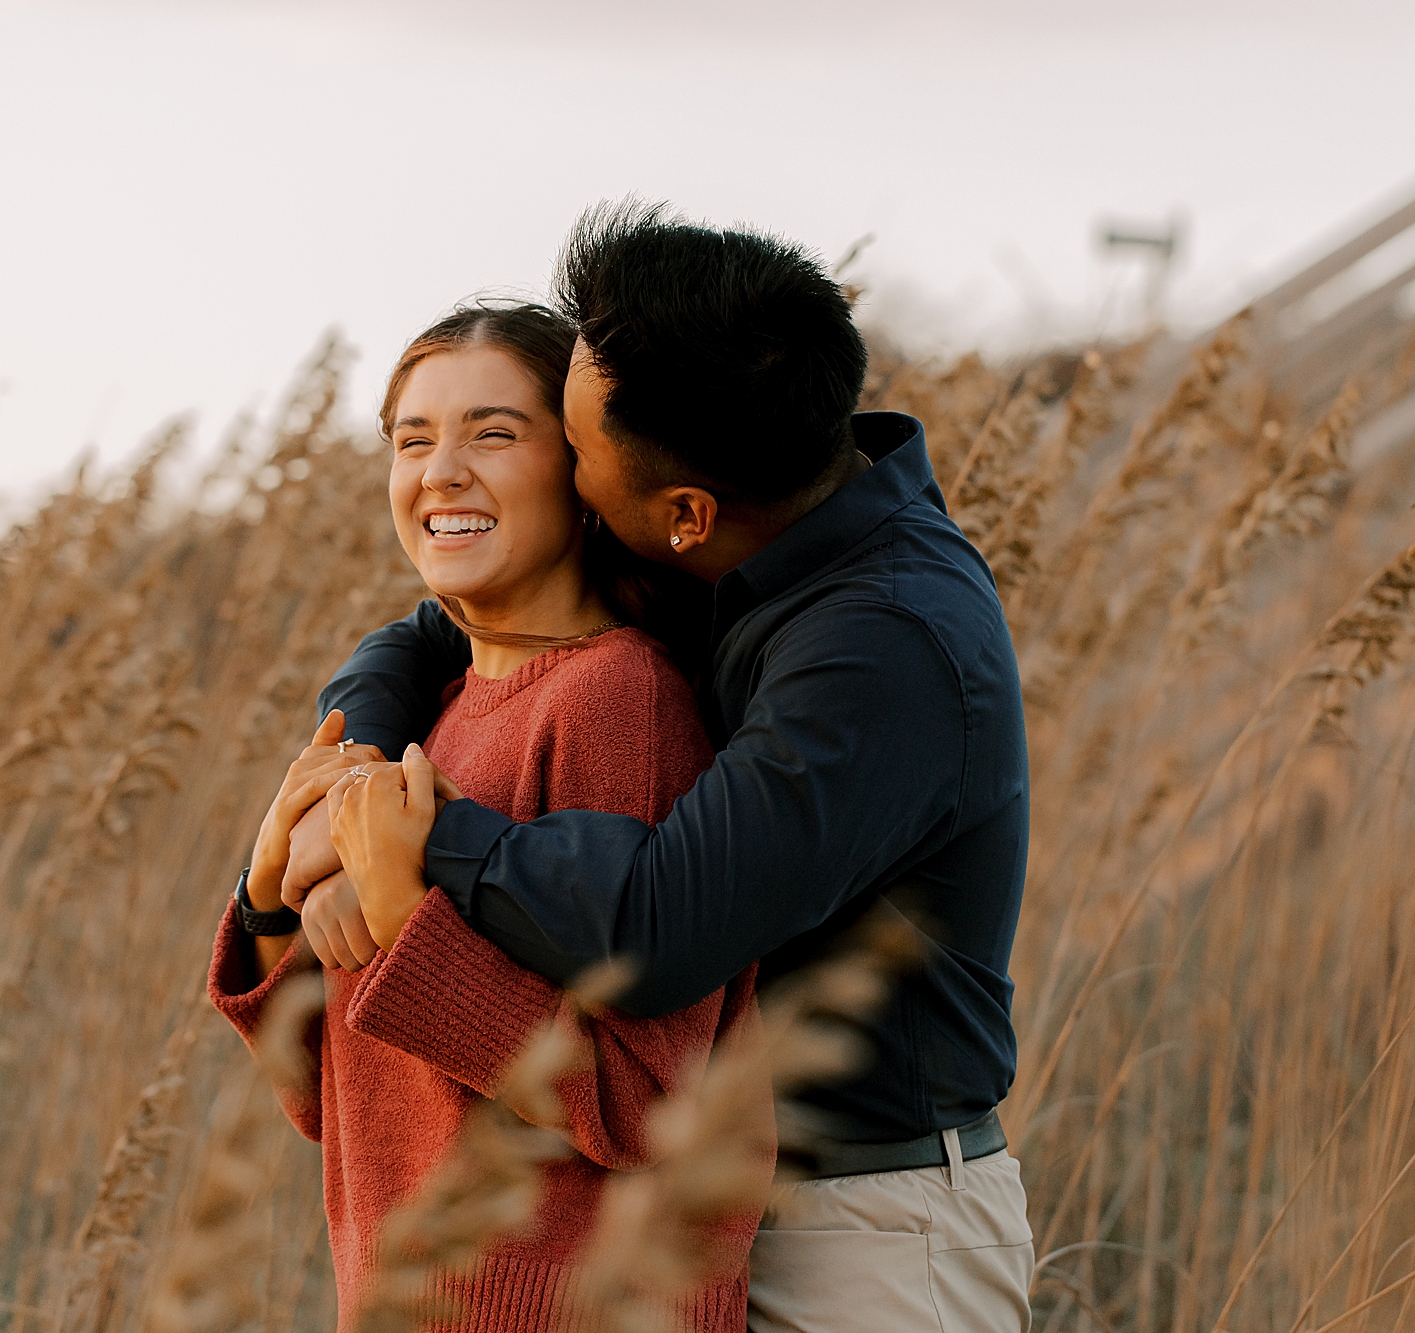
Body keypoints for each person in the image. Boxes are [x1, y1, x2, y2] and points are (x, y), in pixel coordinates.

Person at [282, 204, 1036, 1333]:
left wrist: (410, 833)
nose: (569, 489)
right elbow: (421, 635)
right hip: (709, 1206)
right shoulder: (750, 525)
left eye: (568, 452)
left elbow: (655, 922)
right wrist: (353, 772)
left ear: (682, 514)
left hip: (867, 1230)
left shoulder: (882, 647)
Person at [207, 301, 766, 1333]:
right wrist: (269, 900)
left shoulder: (615, 700)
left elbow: (652, 1107)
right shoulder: (434, 717)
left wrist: (393, 913)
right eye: (412, 440)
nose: (440, 471)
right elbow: (346, 1109)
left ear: (582, 470)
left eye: (492, 433)